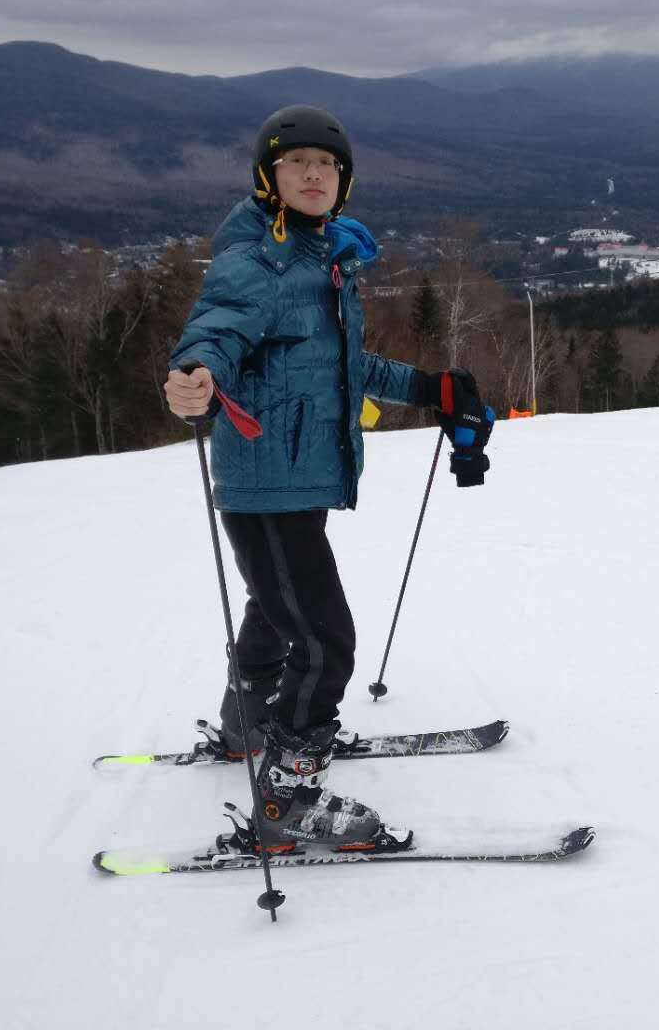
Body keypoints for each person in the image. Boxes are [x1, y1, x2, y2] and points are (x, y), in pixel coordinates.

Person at [163, 105, 492, 852]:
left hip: (296, 478)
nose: (315, 175)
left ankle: (247, 724)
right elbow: (214, 330)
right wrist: (194, 375)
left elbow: (347, 368)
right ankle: (286, 799)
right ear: (267, 176)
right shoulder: (259, 262)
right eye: (296, 163)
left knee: (275, 608)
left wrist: (432, 388)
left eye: (328, 165)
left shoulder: (320, 259)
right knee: (325, 639)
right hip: (266, 480)